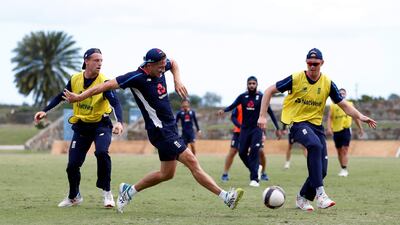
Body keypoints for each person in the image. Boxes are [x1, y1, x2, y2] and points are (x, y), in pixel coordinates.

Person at [63, 48, 244, 213]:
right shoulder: (136, 78)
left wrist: (177, 79)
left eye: (163, 65)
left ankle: (129, 191)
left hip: (170, 128)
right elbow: (104, 86)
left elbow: (173, 63)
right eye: (159, 66)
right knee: (192, 161)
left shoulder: (163, 66)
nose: (162, 69)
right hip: (160, 131)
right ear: (149, 65)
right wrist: (79, 96)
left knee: (167, 174)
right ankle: (226, 197)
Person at [257, 48, 376, 211]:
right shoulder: (296, 78)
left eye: (316, 63)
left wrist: (360, 116)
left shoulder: (327, 83)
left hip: (316, 126)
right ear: (306, 63)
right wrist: (262, 116)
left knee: (322, 170)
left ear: (322, 63)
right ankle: (321, 195)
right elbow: (269, 91)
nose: (312, 66)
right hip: (297, 123)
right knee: (315, 146)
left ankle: (302, 197)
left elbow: (344, 105)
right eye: (309, 63)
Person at [34, 48, 124, 208]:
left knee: (102, 152)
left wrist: (119, 122)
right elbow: (61, 96)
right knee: (72, 166)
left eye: (101, 61)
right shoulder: (75, 79)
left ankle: (107, 193)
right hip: (82, 127)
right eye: (96, 60)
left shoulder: (104, 81)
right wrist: (44, 110)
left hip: (101, 125)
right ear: (86, 61)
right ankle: (74, 196)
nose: (100, 63)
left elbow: (115, 103)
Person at [218, 76, 280, 187]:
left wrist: (277, 128)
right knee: (241, 153)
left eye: (253, 83)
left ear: (257, 85)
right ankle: (256, 169)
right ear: (247, 85)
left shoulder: (262, 97)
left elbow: (270, 113)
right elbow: (233, 106)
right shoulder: (242, 97)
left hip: (257, 129)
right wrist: (224, 110)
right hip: (244, 129)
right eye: (250, 83)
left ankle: (254, 179)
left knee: (254, 151)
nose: (251, 85)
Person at [221, 105, 269, 182]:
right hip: (239, 132)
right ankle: (225, 174)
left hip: (255, 132)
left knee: (260, 151)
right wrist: (240, 126)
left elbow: (262, 119)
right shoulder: (240, 103)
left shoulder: (259, 102)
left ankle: (263, 173)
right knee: (233, 151)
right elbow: (233, 117)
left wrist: (263, 133)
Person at [327, 88, 364, 177]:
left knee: (344, 150)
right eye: (340, 93)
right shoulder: (333, 105)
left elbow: (355, 117)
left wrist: (360, 128)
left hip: (346, 130)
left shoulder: (350, 104)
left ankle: (344, 169)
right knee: (339, 151)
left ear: (346, 95)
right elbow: (330, 117)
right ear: (338, 94)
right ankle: (342, 167)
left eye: (344, 93)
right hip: (336, 130)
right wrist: (329, 128)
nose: (342, 94)